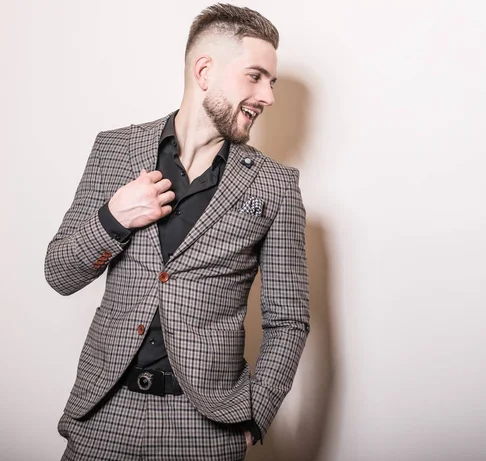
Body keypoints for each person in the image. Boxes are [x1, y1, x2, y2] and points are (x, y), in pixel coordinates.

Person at [44, 4, 310, 460]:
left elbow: (289, 319)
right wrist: (114, 217)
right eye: (255, 76)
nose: (268, 96)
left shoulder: (276, 186)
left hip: (204, 429)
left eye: (272, 82)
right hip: (103, 414)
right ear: (204, 70)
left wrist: (253, 413)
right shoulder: (115, 150)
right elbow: (60, 273)